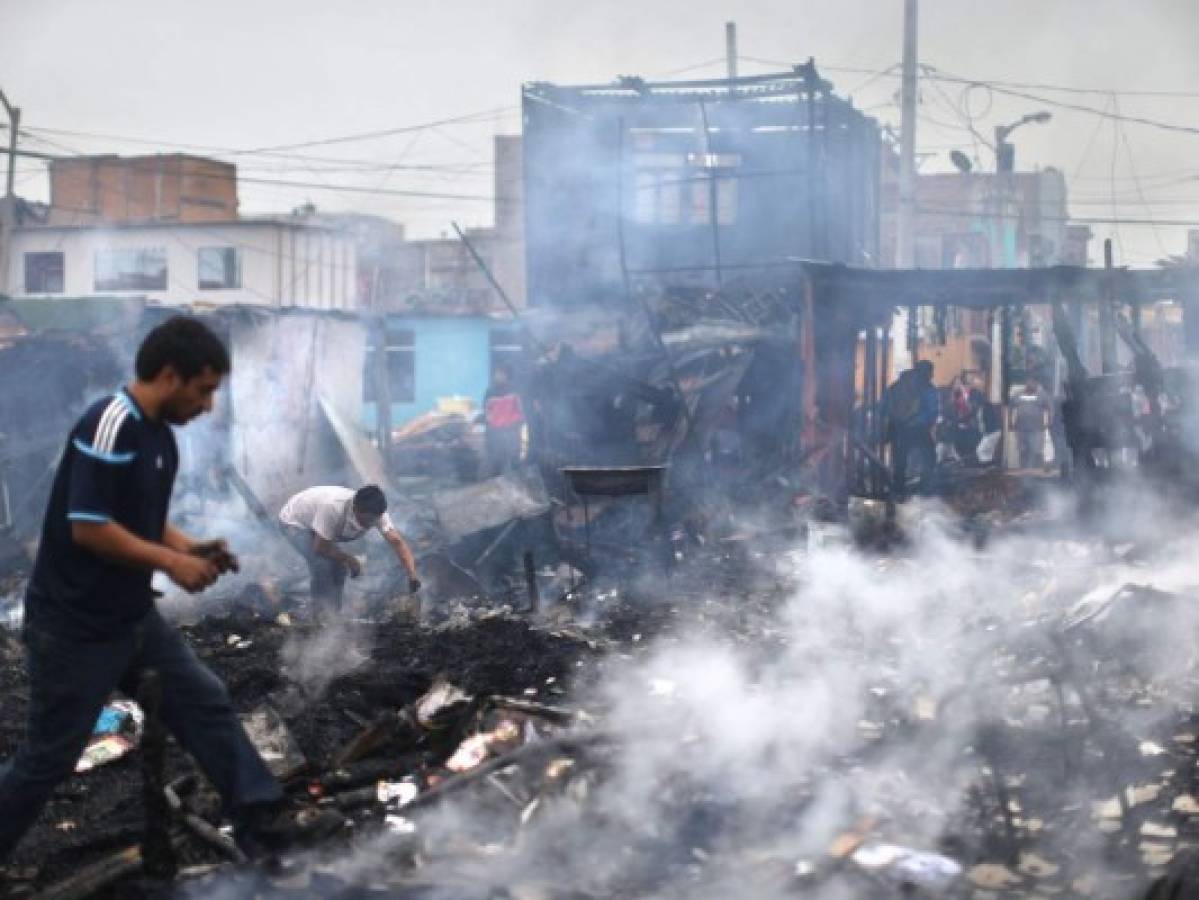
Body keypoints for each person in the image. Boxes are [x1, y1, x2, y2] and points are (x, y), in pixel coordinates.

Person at [0, 316, 338, 861]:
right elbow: (89, 525)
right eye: (203, 390)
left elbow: (139, 517)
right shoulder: (110, 422)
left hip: (131, 619)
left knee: (204, 701)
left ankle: (259, 824)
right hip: (73, 627)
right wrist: (171, 565)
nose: (208, 406)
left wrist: (190, 547)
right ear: (169, 375)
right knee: (50, 757)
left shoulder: (159, 438)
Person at [279, 484, 419, 616]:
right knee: (321, 564)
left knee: (339, 568)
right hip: (295, 522)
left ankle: (333, 614)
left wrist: (412, 575)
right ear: (355, 508)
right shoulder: (333, 508)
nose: (370, 524)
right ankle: (320, 615)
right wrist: (350, 560)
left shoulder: (377, 513)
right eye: (367, 519)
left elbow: (397, 542)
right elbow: (320, 548)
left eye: (374, 519)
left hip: (317, 523)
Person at [881, 360, 939, 498]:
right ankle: (925, 489)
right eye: (931, 372)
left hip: (897, 428)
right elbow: (932, 413)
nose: (932, 375)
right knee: (929, 456)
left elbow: (883, 406)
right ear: (927, 372)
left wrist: (891, 422)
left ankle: (898, 490)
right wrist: (918, 423)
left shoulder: (897, 386)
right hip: (917, 429)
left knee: (899, 461)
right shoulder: (928, 389)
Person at [482, 365, 525, 475]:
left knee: (513, 460)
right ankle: (497, 484)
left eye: (500, 373)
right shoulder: (490, 391)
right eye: (496, 374)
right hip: (496, 432)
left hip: (511, 432)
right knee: (497, 461)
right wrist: (491, 427)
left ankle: (515, 484)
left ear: (506, 375)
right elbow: (486, 411)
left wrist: (516, 425)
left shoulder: (514, 391)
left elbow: (520, 410)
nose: (497, 376)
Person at [1010, 377, 1052, 469]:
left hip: (1036, 428)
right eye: (1029, 382)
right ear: (1026, 383)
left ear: (1037, 384)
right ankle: (1024, 469)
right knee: (1022, 449)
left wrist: (1048, 422)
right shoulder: (1018, 395)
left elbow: (1049, 409)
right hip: (1021, 427)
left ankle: (1034, 471)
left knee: (1035, 449)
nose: (1031, 384)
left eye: (1033, 383)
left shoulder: (1042, 395)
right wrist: (1011, 422)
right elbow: (1011, 408)